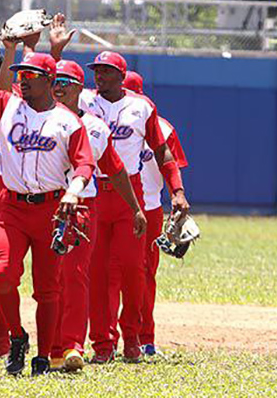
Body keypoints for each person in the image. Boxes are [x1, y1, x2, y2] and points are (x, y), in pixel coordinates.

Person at [0, 19, 96, 376]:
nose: (22, 79)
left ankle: (43, 356)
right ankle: (16, 336)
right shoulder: (8, 107)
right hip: (12, 207)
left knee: (47, 289)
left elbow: (85, 162)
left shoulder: (67, 121)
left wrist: (74, 192)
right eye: (20, 75)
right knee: (0, 276)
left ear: (48, 80)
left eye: (30, 75)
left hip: (51, 208)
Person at [79, 51, 190, 363]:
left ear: (121, 75)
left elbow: (162, 152)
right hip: (93, 190)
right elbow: (57, 91)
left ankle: (133, 340)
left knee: (134, 270)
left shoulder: (141, 106)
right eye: (96, 70)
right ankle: (102, 344)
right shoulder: (85, 101)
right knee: (98, 273)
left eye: (106, 71)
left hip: (130, 193)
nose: (99, 75)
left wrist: (177, 191)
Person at [48, 59, 146, 372]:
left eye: (66, 82)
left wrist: (135, 208)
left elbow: (115, 169)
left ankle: (72, 344)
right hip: (42, 204)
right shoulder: (35, 115)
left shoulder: (95, 126)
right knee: (49, 280)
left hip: (81, 207)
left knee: (75, 276)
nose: (59, 87)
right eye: (56, 81)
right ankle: (48, 345)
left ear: (80, 89)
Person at [122, 71, 189, 357]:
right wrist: (179, 196)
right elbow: (174, 169)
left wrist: (178, 197)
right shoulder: (163, 125)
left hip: (144, 207)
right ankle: (140, 339)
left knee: (129, 276)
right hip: (147, 208)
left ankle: (126, 340)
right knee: (143, 275)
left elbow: (172, 166)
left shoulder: (158, 126)